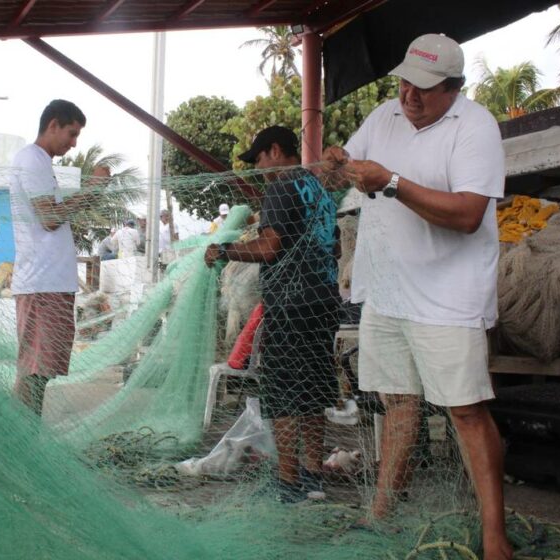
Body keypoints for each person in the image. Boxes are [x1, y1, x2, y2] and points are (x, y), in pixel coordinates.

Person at [323, 34, 510, 560]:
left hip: (448, 297)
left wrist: (392, 182)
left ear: (455, 89)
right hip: (387, 290)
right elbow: (336, 167)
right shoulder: (384, 116)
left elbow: (469, 215)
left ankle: (495, 534)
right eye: (404, 82)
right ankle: (382, 511)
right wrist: (336, 160)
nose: (409, 96)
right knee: (396, 402)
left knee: (466, 412)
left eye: (424, 88)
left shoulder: (475, 127)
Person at [205, 126, 340, 503]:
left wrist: (226, 250)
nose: (260, 168)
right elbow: (336, 246)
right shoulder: (321, 191)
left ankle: (287, 482)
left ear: (276, 151)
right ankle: (313, 478)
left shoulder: (281, 187)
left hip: (290, 307)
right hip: (323, 302)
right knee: (314, 392)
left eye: (260, 159)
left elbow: (268, 248)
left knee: (284, 397)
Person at [10, 99, 102, 414]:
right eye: (71, 133)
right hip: (41, 284)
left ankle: (24, 439)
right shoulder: (31, 160)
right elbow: (49, 218)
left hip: (52, 284)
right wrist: (92, 190)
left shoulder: (42, 163)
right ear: (53, 125)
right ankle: (19, 442)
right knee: (34, 372)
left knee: (42, 372)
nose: (74, 143)